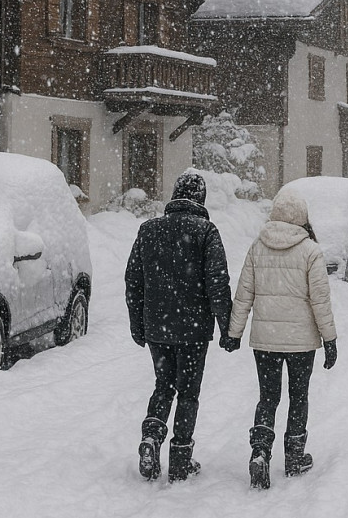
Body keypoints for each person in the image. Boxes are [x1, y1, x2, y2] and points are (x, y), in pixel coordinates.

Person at [125, 172, 237, 484]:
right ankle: (180, 459)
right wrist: (228, 328)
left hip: (157, 327)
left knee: (164, 384)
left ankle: (151, 436)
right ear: (200, 199)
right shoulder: (206, 232)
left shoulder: (148, 230)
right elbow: (217, 284)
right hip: (193, 330)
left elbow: (133, 281)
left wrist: (138, 324)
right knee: (188, 393)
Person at [227, 188, 338, 491]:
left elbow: (244, 293)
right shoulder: (310, 250)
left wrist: (234, 332)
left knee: (268, 397)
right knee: (298, 396)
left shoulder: (257, 247)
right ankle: (294, 456)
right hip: (301, 342)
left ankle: (261, 451)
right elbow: (320, 301)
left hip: (265, 340)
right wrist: (330, 340)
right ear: (303, 218)